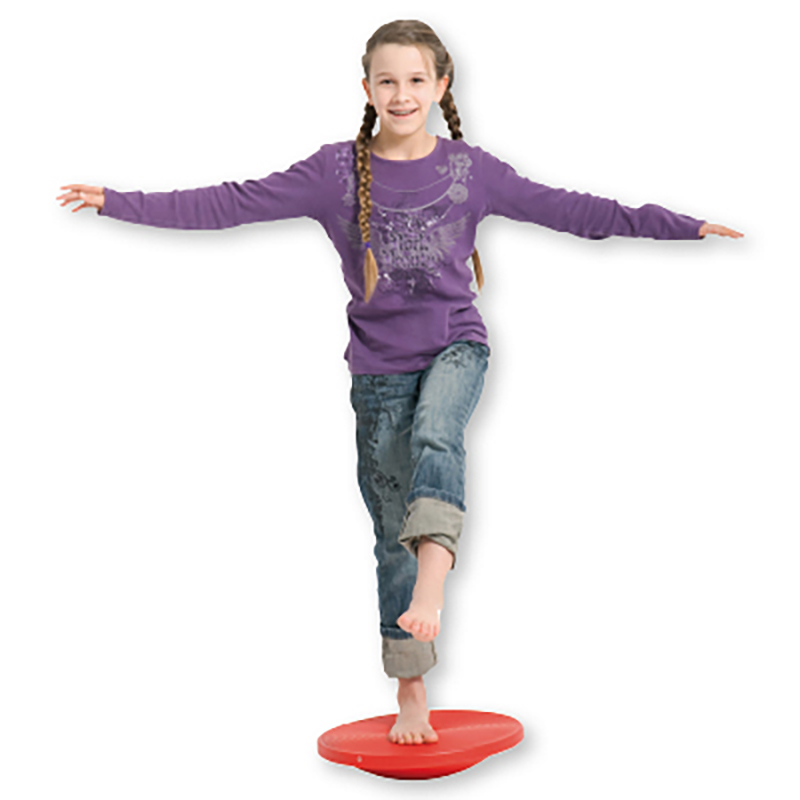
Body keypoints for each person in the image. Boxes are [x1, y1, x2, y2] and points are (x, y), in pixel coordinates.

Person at [56, 19, 743, 746]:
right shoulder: (334, 173)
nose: (402, 93)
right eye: (387, 80)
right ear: (367, 89)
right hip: (378, 373)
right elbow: (229, 203)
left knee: (438, 431)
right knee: (391, 537)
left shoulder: (471, 171)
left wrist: (682, 225)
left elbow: (575, 211)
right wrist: (119, 201)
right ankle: (411, 689)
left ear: (441, 86)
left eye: (416, 79)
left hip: (455, 347)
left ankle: (434, 586)